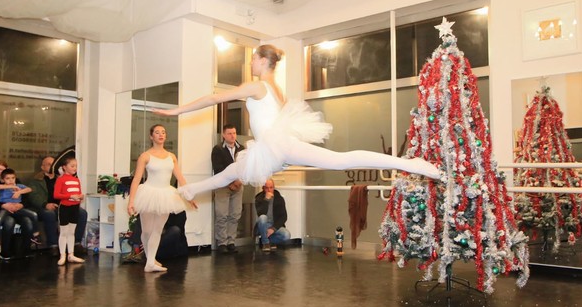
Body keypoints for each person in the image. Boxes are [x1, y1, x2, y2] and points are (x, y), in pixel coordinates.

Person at [154, 44, 441, 201]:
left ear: (261, 61)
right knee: (232, 170)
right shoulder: (276, 89)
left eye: (253, 59)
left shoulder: (257, 86)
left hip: (276, 148)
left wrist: (177, 111)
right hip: (275, 150)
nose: (251, 64)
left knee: (341, 161)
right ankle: (191, 189)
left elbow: (213, 99)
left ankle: (411, 164)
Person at [127, 124, 197, 273]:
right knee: (146, 231)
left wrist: (189, 196)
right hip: (148, 193)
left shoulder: (171, 157)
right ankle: (150, 259)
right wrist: (131, 201)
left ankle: (150, 263)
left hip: (166, 194)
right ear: (151, 136)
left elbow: (181, 178)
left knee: (157, 230)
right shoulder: (145, 156)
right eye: (157, 132)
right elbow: (136, 179)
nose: (161, 135)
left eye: (163, 132)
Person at [28, 155, 88, 256]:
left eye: (54, 164)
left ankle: (76, 243)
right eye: (49, 164)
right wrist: (45, 204)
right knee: (49, 214)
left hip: (62, 205)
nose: (52, 166)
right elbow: (33, 196)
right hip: (45, 206)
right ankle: (53, 245)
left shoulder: (61, 178)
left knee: (82, 213)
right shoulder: (36, 181)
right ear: (42, 167)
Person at [211, 124, 244, 253]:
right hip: (223, 186)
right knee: (222, 215)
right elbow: (218, 168)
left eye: (234, 133)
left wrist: (238, 182)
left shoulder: (242, 149)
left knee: (235, 214)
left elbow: (245, 167)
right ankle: (222, 242)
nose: (232, 136)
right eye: (229, 133)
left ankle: (231, 241)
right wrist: (230, 182)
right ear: (223, 135)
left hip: (239, 185)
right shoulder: (218, 149)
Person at [0, 168, 38, 260]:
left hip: (17, 208)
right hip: (6, 208)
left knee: (32, 216)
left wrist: (19, 191)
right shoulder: (2, 187)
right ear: (3, 179)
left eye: (12, 178)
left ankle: (34, 237)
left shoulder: (19, 186)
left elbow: (29, 189)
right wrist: (9, 187)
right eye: (8, 178)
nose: (11, 180)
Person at [53, 156, 86, 266]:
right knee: (64, 232)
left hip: (74, 208)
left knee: (72, 232)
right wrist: (70, 196)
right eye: (72, 166)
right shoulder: (60, 179)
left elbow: (79, 192)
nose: (75, 168)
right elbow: (56, 195)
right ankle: (63, 254)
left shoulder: (76, 179)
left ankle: (71, 254)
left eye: (76, 166)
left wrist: (81, 196)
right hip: (65, 208)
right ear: (64, 167)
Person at [254, 179, 290, 252]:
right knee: (263, 217)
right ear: (263, 188)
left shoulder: (279, 198)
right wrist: (266, 200)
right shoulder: (259, 198)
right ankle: (265, 243)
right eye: (267, 188)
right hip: (263, 224)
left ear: (274, 187)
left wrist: (273, 228)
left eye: (271, 187)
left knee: (286, 235)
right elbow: (260, 213)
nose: (269, 190)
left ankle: (269, 240)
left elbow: (284, 216)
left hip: (274, 224)